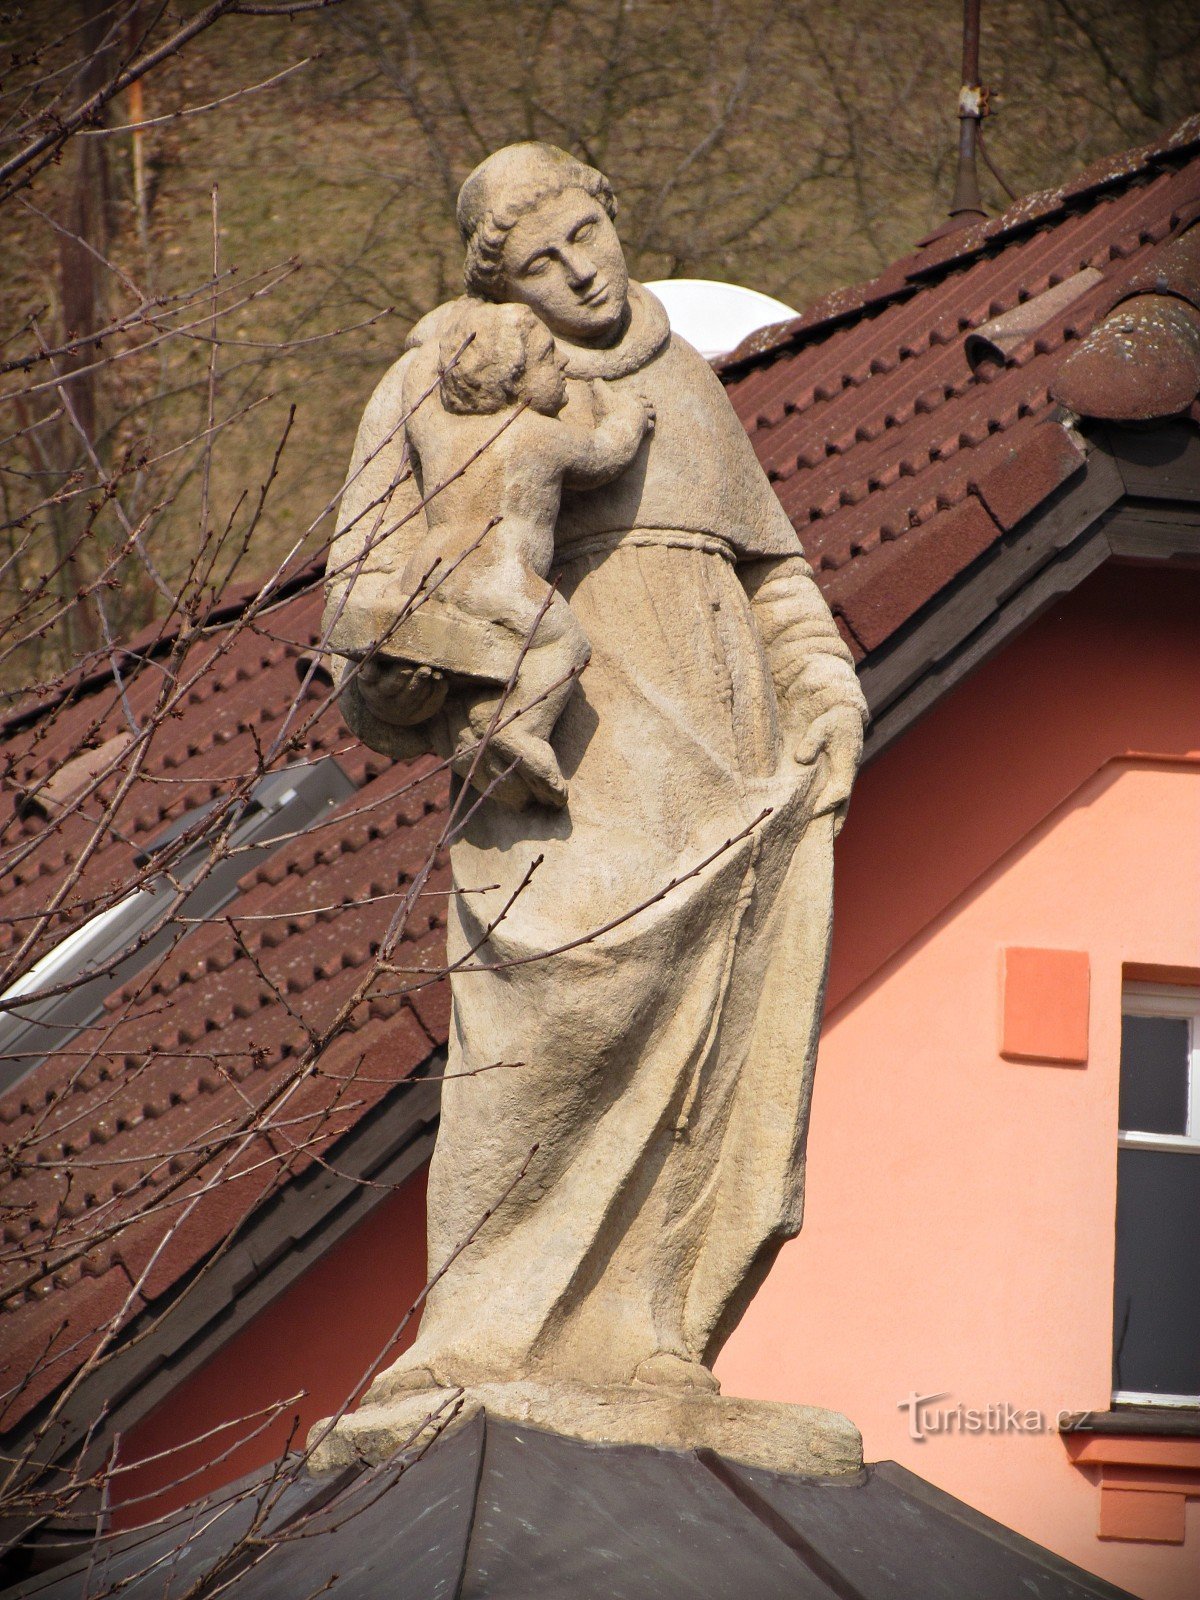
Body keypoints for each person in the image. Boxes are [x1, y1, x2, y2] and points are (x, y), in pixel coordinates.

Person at [324, 143, 867, 1412]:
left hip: (724, 764)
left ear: (614, 214)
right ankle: (472, 1335)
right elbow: (362, 602)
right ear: (504, 290)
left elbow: (775, 576)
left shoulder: (687, 379)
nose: (583, 271)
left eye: (589, 233)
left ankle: (651, 1334)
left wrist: (829, 691)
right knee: (544, 1026)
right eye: (543, 263)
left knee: (712, 1036)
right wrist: (417, 673)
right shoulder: (444, 385)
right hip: (560, 769)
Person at [386, 296, 653, 809]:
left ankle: (475, 732)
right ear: (517, 378)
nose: (564, 366)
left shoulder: (441, 432)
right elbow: (605, 455)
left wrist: (434, 345)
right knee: (563, 644)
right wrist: (630, 416)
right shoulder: (537, 435)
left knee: (480, 654)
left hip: (428, 572)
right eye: (551, 359)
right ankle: (516, 727)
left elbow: (417, 394)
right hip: (496, 572)